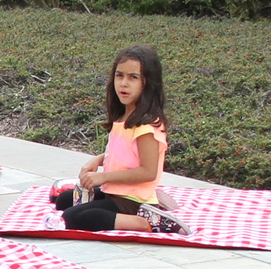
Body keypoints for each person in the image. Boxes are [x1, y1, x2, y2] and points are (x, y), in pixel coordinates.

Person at [53, 45, 188, 235]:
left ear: (148, 83)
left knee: (73, 217)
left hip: (132, 200)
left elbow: (148, 172)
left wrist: (103, 177)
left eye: (133, 77)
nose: (124, 83)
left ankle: (145, 221)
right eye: (119, 75)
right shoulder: (124, 117)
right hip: (115, 190)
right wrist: (98, 161)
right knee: (63, 200)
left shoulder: (147, 126)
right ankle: (146, 208)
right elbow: (125, 153)